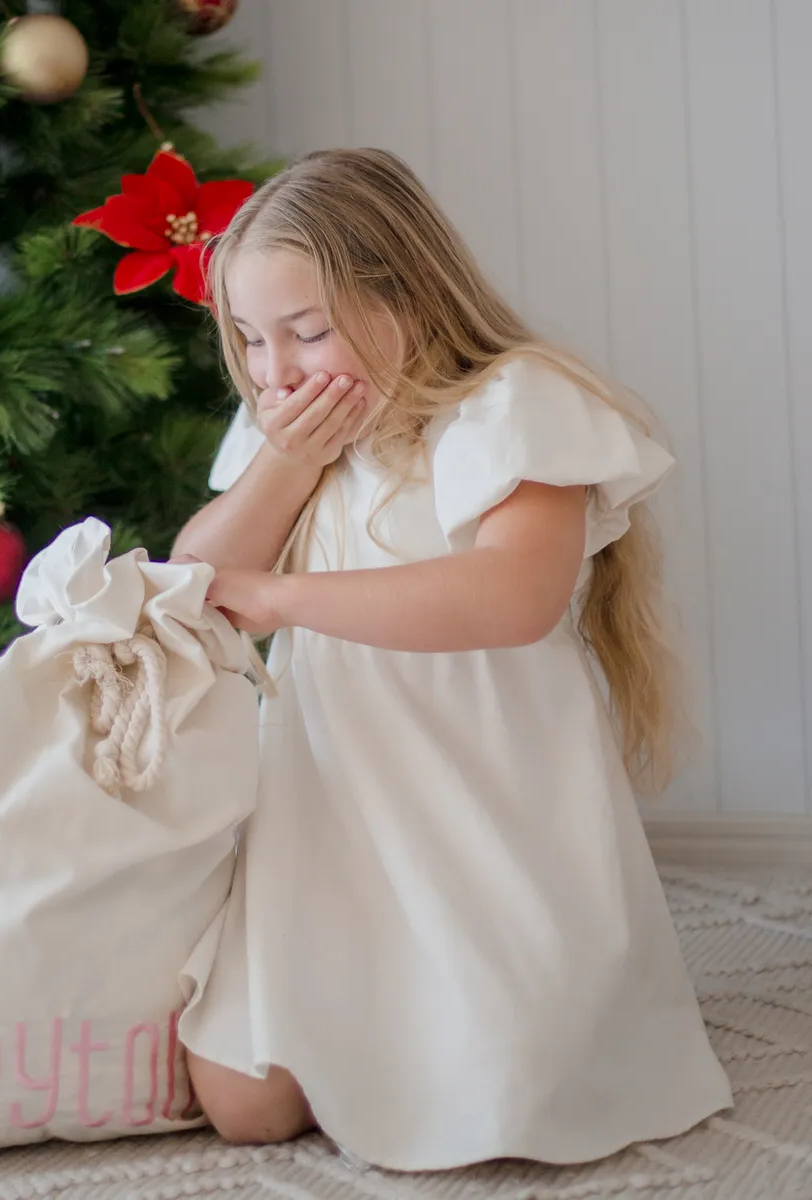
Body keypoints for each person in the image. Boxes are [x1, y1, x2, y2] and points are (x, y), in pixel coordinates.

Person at [171, 148, 732, 1172]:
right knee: (244, 1105)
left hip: (483, 809)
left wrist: (287, 598)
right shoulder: (289, 428)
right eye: (250, 340)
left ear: (409, 296)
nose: (275, 370)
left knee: (510, 1101)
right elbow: (198, 582)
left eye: (305, 332)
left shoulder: (513, 403)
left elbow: (514, 595)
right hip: (333, 812)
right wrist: (289, 460)